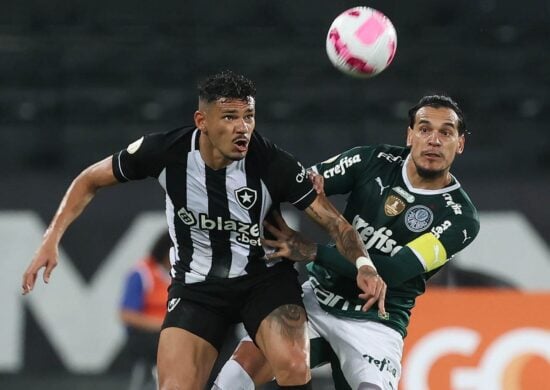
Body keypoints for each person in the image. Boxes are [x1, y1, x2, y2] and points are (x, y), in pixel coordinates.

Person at [21, 70, 387, 390]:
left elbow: (335, 223)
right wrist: (50, 239)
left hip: (264, 281)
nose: (242, 128)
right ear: (202, 121)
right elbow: (89, 180)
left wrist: (364, 266)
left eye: (249, 116)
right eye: (229, 117)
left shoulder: (273, 163)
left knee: (293, 364)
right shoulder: (164, 152)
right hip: (198, 288)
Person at [213, 94, 480, 389]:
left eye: (446, 132)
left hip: (377, 321)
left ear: (461, 143)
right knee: (236, 376)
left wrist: (313, 251)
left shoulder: (460, 217)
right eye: (425, 129)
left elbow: (391, 272)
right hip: (316, 301)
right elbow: (301, 184)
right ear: (410, 135)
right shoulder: (373, 160)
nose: (434, 140)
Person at [119, 230, 172, 390]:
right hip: (149, 337)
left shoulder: (185, 274)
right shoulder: (142, 273)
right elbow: (127, 315)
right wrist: (162, 325)